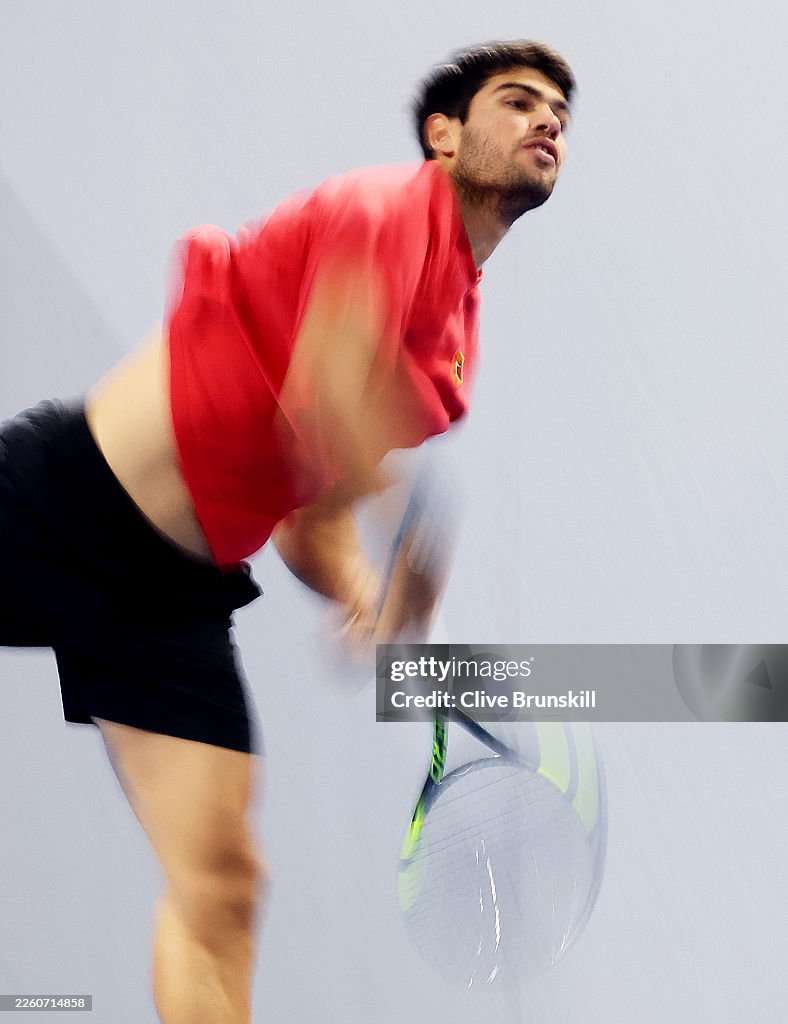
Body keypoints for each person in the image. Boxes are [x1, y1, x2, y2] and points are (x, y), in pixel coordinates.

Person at [0, 38, 575, 1024]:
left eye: (558, 112)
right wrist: (407, 526)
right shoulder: (383, 210)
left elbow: (309, 515)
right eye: (517, 101)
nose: (546, 119)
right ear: (442, 134)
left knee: (222, 889)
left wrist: (365, 596)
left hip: (169, 603)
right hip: (66, 499)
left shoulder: (449, 354)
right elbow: (322, 398)